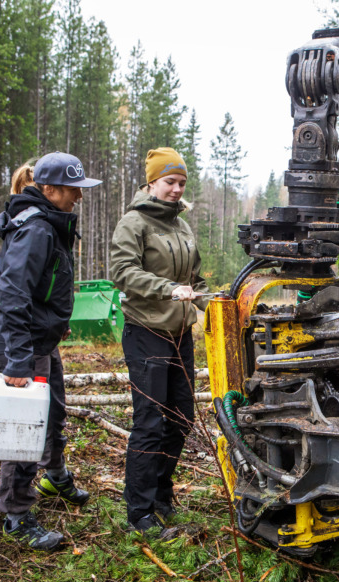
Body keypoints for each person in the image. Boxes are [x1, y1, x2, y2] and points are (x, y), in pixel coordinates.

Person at [0, 152, 102, 550]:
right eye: (74, 189)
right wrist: (19, 361)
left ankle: (56, 476)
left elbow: (43, 286)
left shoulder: (51, 223)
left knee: (52, 414)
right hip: (23, 346)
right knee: (24, 430)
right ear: (50, 189)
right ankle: (16, 515)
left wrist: (55, 320)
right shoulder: (36, 229)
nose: (79, 196)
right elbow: (12, 293)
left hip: (41, 340)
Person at [109, 147, 209, 537]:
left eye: (181, 182)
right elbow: (122, 272)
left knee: (181, 419)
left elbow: (194, 280)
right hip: (146, 333)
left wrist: (213, 303)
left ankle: (161, 496)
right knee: (149, 423)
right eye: (170, 181)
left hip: (180, 335)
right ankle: (140, 512)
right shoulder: (133, 223)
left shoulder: (181, 226)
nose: (176, 189)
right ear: (152, 182)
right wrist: (168, 289)